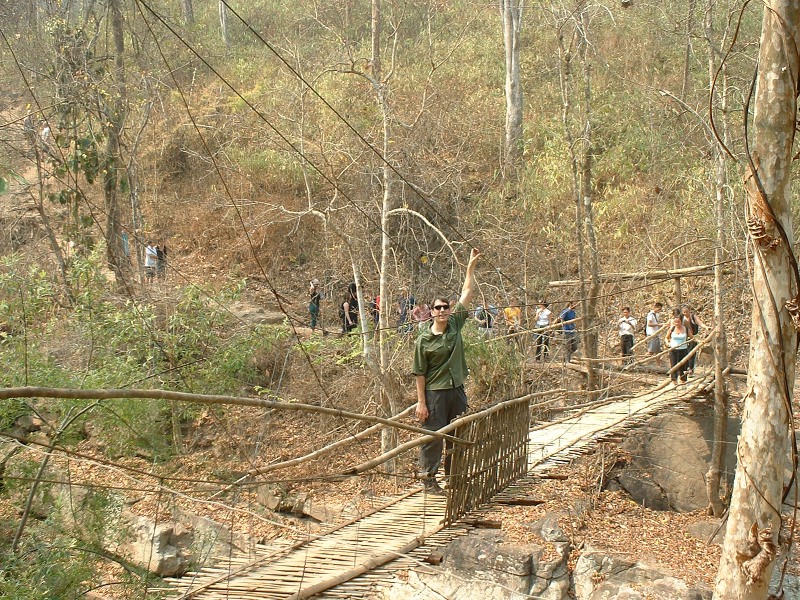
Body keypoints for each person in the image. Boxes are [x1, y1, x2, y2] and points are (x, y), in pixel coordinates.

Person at [413, 248, 480, 496]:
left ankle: (454, 477)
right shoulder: (424, 340)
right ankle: (429, 480)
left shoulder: (454, 324)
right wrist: (421, 402)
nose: (442, 311)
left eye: (445, 307)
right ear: (431, 312)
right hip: (435, 393)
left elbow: (467, 293)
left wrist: (470, 268)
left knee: (457, 435)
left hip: (456, 390)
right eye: (438, 308)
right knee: (433, 437)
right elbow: (419, 372)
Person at [665, 313, 692, 384]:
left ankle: (683, 380)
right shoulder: (672, 328)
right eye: (675, 322)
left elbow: (692, 338)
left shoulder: (686, 329)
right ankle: (674, 381)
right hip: (673, 350)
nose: (677, 323)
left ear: (681, 321)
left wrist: (688, 343)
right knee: (673, 365)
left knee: (683, 366)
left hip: (683, 349)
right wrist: (668, 343)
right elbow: (666, 337)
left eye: (678, 322)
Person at [681, 305, 705, 376]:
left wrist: (706, 327)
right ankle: (685, 368)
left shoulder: (693, 317)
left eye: (686, 312)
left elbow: (700, 323)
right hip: (684, 337)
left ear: (689, 311)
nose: (685, 313)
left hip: (693, 337)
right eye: (684, 312)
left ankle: (690, 369)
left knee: (691, 353)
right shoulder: (682, 318)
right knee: (684, 352)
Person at [645, 302, 663, 366]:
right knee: (651, 351)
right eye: (659, 309)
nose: (659, 311)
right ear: (655, 307)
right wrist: (658, 324)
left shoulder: (657, 315)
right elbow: (649, 324)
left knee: (658, 351)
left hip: (656, 334)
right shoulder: (650, 315)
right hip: (651, 334)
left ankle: (658, 365)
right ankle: (642, 361)